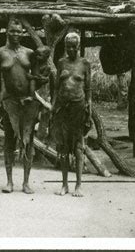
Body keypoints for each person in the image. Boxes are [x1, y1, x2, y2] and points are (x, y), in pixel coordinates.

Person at [0, 18, 39, 194]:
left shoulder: (30, 53)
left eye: (18, 31)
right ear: (7, 31)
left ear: (23, 33)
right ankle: (9, 181)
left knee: (28, 141)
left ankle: (26, 182)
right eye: (12, 31)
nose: (15, 34)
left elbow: (36, 77)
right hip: (9, 102)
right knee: (9, 140)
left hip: (27, 103)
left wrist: (33, 99)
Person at [51, 32, 92, 197]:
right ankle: (64, 184)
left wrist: (89, 106)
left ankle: (78, 185)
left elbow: (88, 88)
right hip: (62, 108)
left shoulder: (85, 63)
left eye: (74, 46)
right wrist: (53, 105)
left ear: (79, 46)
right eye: (68, 46)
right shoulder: (61, 63)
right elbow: (56, 87)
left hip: (78, 108)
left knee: (78, 147)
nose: (71, 49)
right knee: (63, 147)